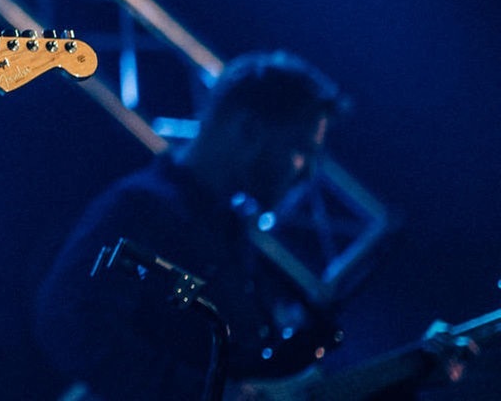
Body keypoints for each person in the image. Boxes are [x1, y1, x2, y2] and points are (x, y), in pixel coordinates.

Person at [34, 50, 363, 399]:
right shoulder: (142, 208)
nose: (308, 172)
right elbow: (71, 323)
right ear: (248, 129)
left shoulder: (230, 231)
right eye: (301, 149)